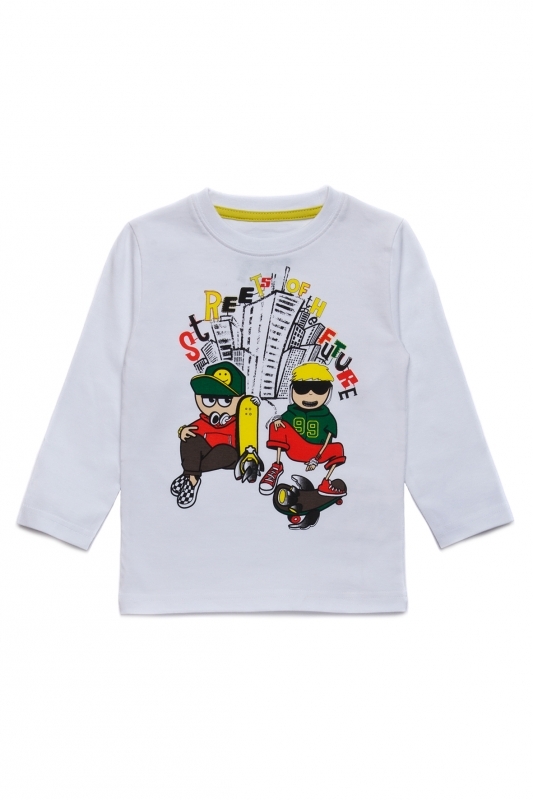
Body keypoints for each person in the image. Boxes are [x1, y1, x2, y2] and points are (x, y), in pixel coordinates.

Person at [170, 361, 260, 508]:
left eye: (226, 400)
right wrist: (183, 431)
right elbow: (190, 432)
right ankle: (192, 478)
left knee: (225, 450)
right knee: (190, 438)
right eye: (210, 399)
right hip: (208, 456)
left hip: (230, 458)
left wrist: (250, 405)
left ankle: (190, 473)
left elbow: (250, 433)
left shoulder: (241, 422)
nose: (216, 406)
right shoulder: (204, 421)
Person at [259, 362, 346, 497]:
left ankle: (325, 483)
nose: (310, 394)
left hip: (317, 451)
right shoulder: (291, 413)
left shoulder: (328, 417)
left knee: (338, 448)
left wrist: (316, 458)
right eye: (302, 388)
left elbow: (327, 441)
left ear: (328, 391)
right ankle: (276, 466)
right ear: (292, 390)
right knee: (277, 424)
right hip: (295, 448)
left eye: (319, 388)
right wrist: (276, 420)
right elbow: (273, 427)